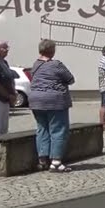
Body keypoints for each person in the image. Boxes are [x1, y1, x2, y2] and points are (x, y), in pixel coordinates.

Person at [29, 39, 76, 173]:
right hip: (54, 100)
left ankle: (42, 160)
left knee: (42, 128)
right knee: (58, 129)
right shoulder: (56, 64)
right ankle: (56, 162)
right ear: (52, 51)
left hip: (36, 100)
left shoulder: (35, 64)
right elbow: (70, 79)